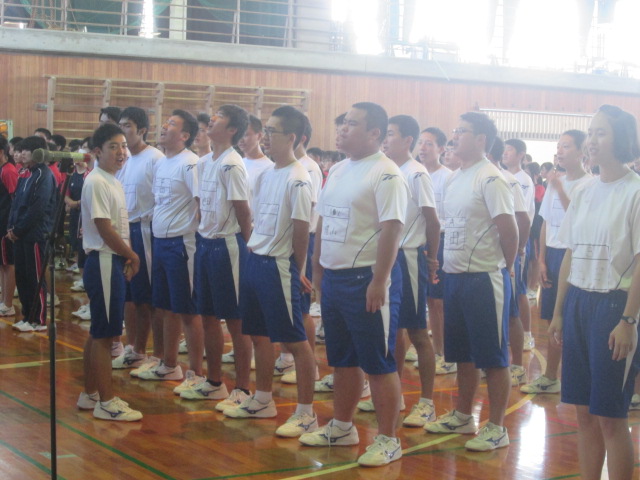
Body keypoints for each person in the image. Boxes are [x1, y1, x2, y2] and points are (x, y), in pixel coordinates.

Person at [299, 102, 407, 467]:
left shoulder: (386, 173)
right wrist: (317, 269)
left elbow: (392, 229)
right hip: (334, 277)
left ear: (375, 133)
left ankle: (388, 439)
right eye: (343, 123)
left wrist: (379, 280)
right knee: (343, 360)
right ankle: (342, 426)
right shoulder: (339, 169)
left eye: (352, 124)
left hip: (366, 279)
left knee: (378, 362)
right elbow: (323, 222)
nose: (343, 129)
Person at [549, 105, 640, 480]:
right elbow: (570, 254)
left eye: (601, 133)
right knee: (583, 414)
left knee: (610, 418)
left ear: (622, 139)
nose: (591, 141)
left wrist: (628, 320)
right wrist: (559, 311)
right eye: (590, 133)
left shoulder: (635, 191)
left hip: (614, 306)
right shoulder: (584, 190)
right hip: (578, 303)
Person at [425, 112, 518, 452]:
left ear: (480, 139)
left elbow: (510, 230)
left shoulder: (491, 178)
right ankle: (464, 415)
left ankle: (497, 427)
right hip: (455, 277)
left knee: (492, 357)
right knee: (462, 354)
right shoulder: (454, 178)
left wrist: (505, 267)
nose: (454, 136)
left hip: (484, 278)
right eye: (454, 130)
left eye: (461, 131)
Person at [225, 106, 317, 441]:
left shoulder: (299, 178)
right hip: (255, 260)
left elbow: (301, 230)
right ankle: (263, 398)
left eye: (273, 131)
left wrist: (297, 269)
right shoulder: (266, 175)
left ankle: (306, 413)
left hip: (279, 265)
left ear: (291, 137)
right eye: (266, 130)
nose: (266, 136)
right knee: (257, 334)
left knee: (295, 341)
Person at [181, 104, 254, 412]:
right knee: (208, 316)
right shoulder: (205, 162)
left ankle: (243, 389)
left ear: (232, 129)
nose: (211, 120)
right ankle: (214, 382)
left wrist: (249, 248)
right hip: (205, 244)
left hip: (229, 245)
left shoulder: (232, 164)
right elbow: (202, 204)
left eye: (219, 118)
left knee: (236, 320)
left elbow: (243, 211)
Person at [374, 114, 440, 428]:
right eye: (385, 134)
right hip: (387, 255)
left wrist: (432, 258)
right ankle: (396, 394)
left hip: (409, 257)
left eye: (391, 134)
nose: (385, 139)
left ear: (407, 140)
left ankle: (427, 403)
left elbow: (433, 221)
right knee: (394, 331)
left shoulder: (416, 173)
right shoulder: (387, 170)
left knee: (417, 332)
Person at [76, 123, 142, 421]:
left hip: (112, 260)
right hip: (103, 259)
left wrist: (126, 256)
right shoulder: (97, 181)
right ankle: (106, 402)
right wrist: (132, 255)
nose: (121, 152)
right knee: (106, 335)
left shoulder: (113, 180)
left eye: (124, 146)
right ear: (97, 151)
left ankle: (90, 394)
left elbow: (119, 226)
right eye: (113, 146)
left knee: (99, 331)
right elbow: (105, 228)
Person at [137, 109, 204, 390]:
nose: (164, 126)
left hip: (182, 244)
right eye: (165, 122)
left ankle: (196, 374)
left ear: (185, 135)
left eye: (172, 124)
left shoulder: (191, 164)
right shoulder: (163, 162)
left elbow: (201, 202)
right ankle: (169, 364)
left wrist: (193, 231)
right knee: (164, 307)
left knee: (187, 310)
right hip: (160, 241)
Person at [521, 130, 590, 395]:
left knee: (572, 318)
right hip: (552, 254)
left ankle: (576, 378)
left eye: (567, 146)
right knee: (552, 317)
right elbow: (545, 223)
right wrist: (541, 259)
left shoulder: (589, 184)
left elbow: (579, 220)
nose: (560, 151)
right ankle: (550, 377)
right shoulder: (554, 183)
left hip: (574, 256)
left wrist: (560, 189)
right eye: (559, 146)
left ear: (582, 151)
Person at [112, 107, 165, 374]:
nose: (122, 130)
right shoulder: (122, 159)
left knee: (148, 297)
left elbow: (161, 198)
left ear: (142, 130)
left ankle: (156, 353)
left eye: (128, 126)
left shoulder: (155, 158)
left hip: (145, 231)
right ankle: (134, 348)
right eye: (120, 125)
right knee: (129, 296)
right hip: (125, 229)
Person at [488, 138, 530, 387]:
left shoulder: (508, 180)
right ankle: (490, 362)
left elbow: (523, 220)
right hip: (485, 262)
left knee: (512, 312)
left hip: (505, 260)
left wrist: (517, 253)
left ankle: (518, 367)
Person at [8, 136, 57, 332]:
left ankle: (38, 319)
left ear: (37, 152)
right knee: (23, 277)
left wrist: (19, 229)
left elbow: (37, 209)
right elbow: (16, 204)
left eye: (25, 150)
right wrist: (12, 228)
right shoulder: (26, 173)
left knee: (35, 277)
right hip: (21, 235)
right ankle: (27, 315)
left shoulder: (44, 175)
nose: (21, 154)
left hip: (35, 235)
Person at [417, 127, 454, 375]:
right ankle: (432, 349)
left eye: (429, 143)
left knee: (438, 302)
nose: (423, 148)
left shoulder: (448, 177)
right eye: (421, 142)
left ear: (441, 149)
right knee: (426, 300)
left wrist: (435, 250)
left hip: (441, 242)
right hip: (418, 243)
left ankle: (445, 354)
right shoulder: (415, 173)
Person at [503, 139, 535, 351]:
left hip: (520, 240)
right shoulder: (503, 176)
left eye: (510, 150)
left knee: (519, 290)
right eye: (504, 149)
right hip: (507, 240)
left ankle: (527, 334)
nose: (505, 153)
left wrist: (520, 245)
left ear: (521, 154)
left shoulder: (523, 180)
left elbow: (522, 217)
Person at [0, 136, 18, 316]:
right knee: (2, 264)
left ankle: (8, 303)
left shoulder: (8, 171)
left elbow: (15, 200)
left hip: (6, 226)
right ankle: (3, 301)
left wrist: (11, 226)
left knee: (8, 264)